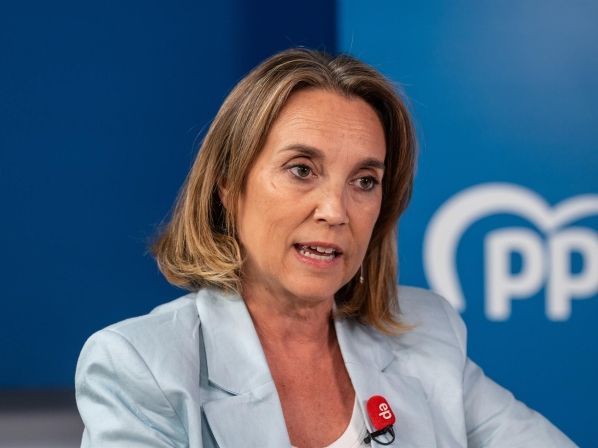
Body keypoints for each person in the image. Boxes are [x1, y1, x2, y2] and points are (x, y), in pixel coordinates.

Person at [75, 48, 576, 448]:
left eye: (364, 180)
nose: (336, 210)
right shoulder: (141, 364)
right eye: (302, 170)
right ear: (228, 184)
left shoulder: (428, 332)